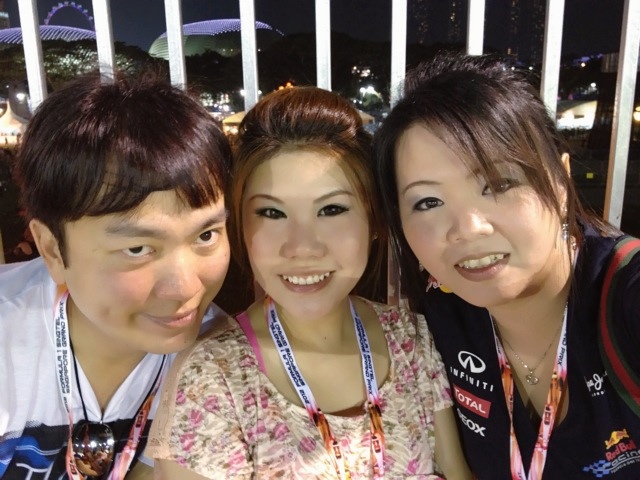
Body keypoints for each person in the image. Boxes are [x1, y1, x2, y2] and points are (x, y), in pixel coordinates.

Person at [147, 86, 472, 479]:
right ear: (239, 226)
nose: (302, 247)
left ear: (373, 220)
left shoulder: (410, 338)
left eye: (331, 209)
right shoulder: (212, 378)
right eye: (271, 212)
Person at [373, 51, 640, 479]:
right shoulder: (439, 322)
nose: (467, 229)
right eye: (428, 202)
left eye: (499, 184)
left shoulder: (625, 297)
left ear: (560, 181)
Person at [0, 70, 232, 479]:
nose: (186, 288)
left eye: (206, 235)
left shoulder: (223, 360)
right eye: (137, 249)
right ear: (52, 248)